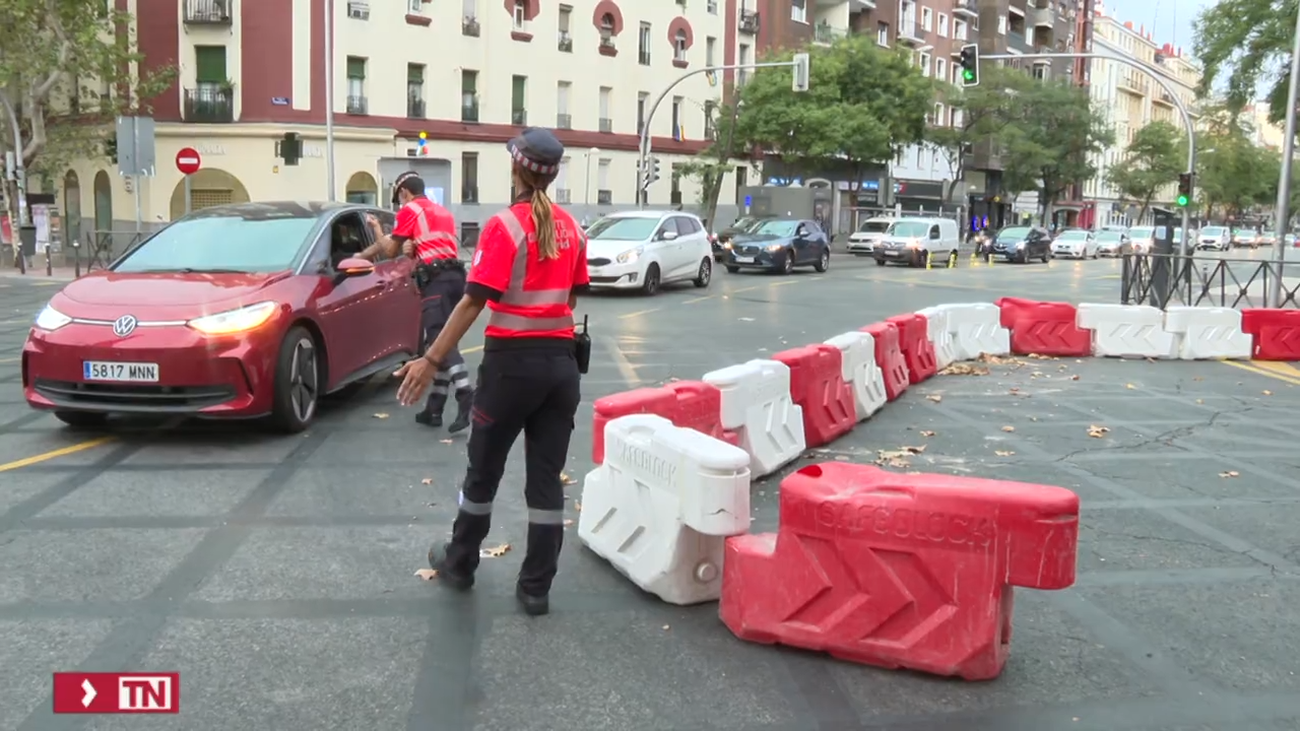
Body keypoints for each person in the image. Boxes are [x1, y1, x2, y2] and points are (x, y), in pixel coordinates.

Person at [394, 127, 587, 617]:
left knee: (483, 473)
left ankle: (460, 563)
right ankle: (536, 588)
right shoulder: (573, 227)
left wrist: (431, 358)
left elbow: (473, 301)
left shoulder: (504, 226)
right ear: (554, 173)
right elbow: (570, 298)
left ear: (515, 168)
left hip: (510, 369)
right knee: (545, 481)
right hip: (561, 368)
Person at [360, 172, 474, 432]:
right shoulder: (441, 211)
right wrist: (411, 246)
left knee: (436, 340)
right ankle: (434, 407)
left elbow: (389, 250)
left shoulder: (410, 209)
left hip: (436, 280)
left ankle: (466, 394)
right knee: (446, 341)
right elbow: (426, 242)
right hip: (456, 277)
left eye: (399, 199)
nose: (400, 204)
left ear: (404, 193)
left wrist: (377, 228)